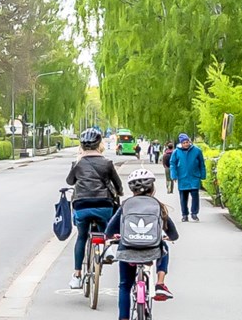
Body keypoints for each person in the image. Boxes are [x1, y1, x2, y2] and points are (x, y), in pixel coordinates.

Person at [63, 131, 123, 290]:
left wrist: (77, 163)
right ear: (100, 145)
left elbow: (70, 181)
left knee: (81, 237)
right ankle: (108, 248)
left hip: (82, 205)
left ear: (81, 146)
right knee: (106, 228)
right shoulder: (107, 163)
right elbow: (118, 186)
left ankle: (76, 275)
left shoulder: (78, 163)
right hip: (103, 204)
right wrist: (120, 192)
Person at [116, 167, 178, 310]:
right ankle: (160, 283)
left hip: (127, 250)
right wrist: (168, 237)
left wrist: (113, 236)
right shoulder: (157, 206)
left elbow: (110, 229)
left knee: (125, 286)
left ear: (132, 190)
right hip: (152, 249)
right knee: (164, 247)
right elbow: (173, 234)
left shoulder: (125, 206)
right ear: (153, 189)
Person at [167, 133, 208, 223]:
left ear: (189, 142)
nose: (186, 144)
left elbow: (202, 164)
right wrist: (173, 175)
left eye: (187, 142)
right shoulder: (176, 152)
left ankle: (194, 213)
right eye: (184, 142)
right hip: (183, 178)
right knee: (183, 198)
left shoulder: (197, 151)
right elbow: (172, 164)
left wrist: (203, 174)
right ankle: (184, 215)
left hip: (194, 177)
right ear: (181, 143)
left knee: (195, 196)